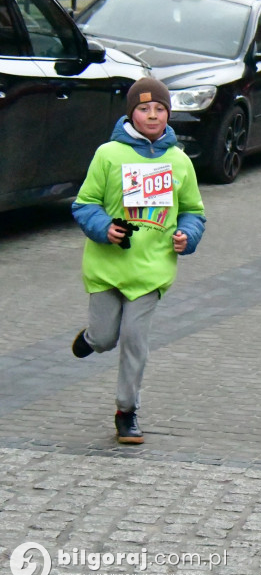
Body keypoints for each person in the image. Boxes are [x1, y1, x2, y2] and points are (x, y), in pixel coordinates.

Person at [70, 78, 206, 445]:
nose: (152, 115)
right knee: (104, 337)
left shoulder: (178, 161)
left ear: (168, 115)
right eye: (144, 109)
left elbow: (193, 212)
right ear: (131, 113)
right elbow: (84, 204)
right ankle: (89, 338)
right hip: (107, 266)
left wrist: (186, 236)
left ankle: (126, 412)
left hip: (151, 270)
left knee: (134, 340)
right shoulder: (108, 154)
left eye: (160, 109)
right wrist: (104, 228)